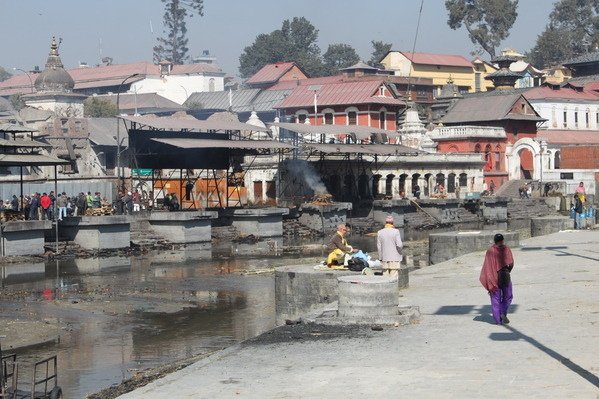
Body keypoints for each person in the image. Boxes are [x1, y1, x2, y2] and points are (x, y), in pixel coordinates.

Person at [479, 233, 514, 325]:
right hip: (505, 275)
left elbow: (487, 267)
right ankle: (503, 313)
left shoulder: (490, 251)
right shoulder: (506, 249)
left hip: (493, 277)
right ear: (502, 240)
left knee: (495, 299)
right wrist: (507, 270)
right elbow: (511, 263)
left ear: (495, 241)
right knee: (508, 296)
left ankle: (498, 320)